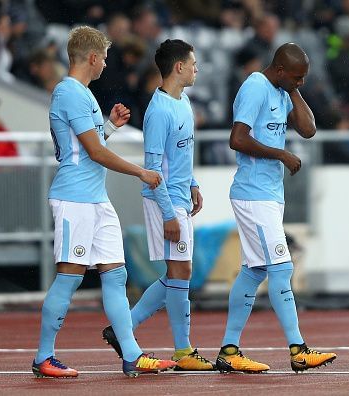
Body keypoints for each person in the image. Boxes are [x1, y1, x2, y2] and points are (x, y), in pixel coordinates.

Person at [32, 26, 176, 378]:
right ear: (93, 57)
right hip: (75, 198)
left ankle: (132, 354)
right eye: (105, 58)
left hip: (95, 198)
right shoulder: (70, 94)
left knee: (116, 274)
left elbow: (91, 144)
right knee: (70, 276)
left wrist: (109, 127)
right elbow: (94, 153)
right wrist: (140, 172)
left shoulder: (81, 94)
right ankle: (43, 357)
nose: (106, 64)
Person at [216, 43, 337, 373]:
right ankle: (298, 349)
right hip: (253, 193)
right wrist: (281, 154)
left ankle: (228, 350)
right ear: (279, 70)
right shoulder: (255, 87)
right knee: (282, 268)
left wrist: (294, 90)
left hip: (268, 194)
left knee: (254, 271)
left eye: (304, 79)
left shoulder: (283, 90)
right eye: (297, 77)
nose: (301, 83)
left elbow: (309, 129)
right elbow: (237, 139)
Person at [101, 39, 215, 371]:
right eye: (193, 63)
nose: (196, 69)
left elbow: (181, 155)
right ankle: (181, 350)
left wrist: (193, 183)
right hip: (163, 199)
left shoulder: (184, 103)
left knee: (179, 272)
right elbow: (152, 169)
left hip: (180, 195)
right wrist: (167, 212)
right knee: (181, 271)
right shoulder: (159, 111)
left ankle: (124, 331)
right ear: (178, 67)